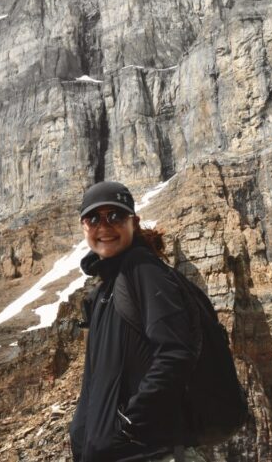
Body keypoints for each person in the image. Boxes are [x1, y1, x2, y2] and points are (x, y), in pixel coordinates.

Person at [69, 180, 206, 462]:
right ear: (84, 226)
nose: (104, 226)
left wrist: (130, 426)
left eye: (115, 216)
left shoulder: (144, 272)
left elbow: (175, 353)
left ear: (134, 221)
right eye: (93, 218)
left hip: (152, 453)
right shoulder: (104, 290)